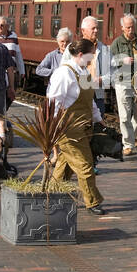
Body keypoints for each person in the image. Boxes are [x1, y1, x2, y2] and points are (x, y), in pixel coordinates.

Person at [47, 39, 106, 215]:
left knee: (64, 165)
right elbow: (54, 101)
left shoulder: (82, 72)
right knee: (85, 164)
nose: (92, 59)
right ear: (81, 55)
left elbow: (90, 101)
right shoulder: (64, 73)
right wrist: (53, 127)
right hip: (69, 129)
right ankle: (92, 201)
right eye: (91, 55)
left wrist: (98, 118)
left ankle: (51, 195)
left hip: (83, 127)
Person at [110, 14, 137, 156]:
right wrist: (122, 60)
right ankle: (128, 145)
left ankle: (131, 137)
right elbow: (109, 61)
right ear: (122, 28)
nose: (130, 29)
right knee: (125, 116)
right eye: (127, 27)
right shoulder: (117, 43)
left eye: (132, 26)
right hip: (123, 81)